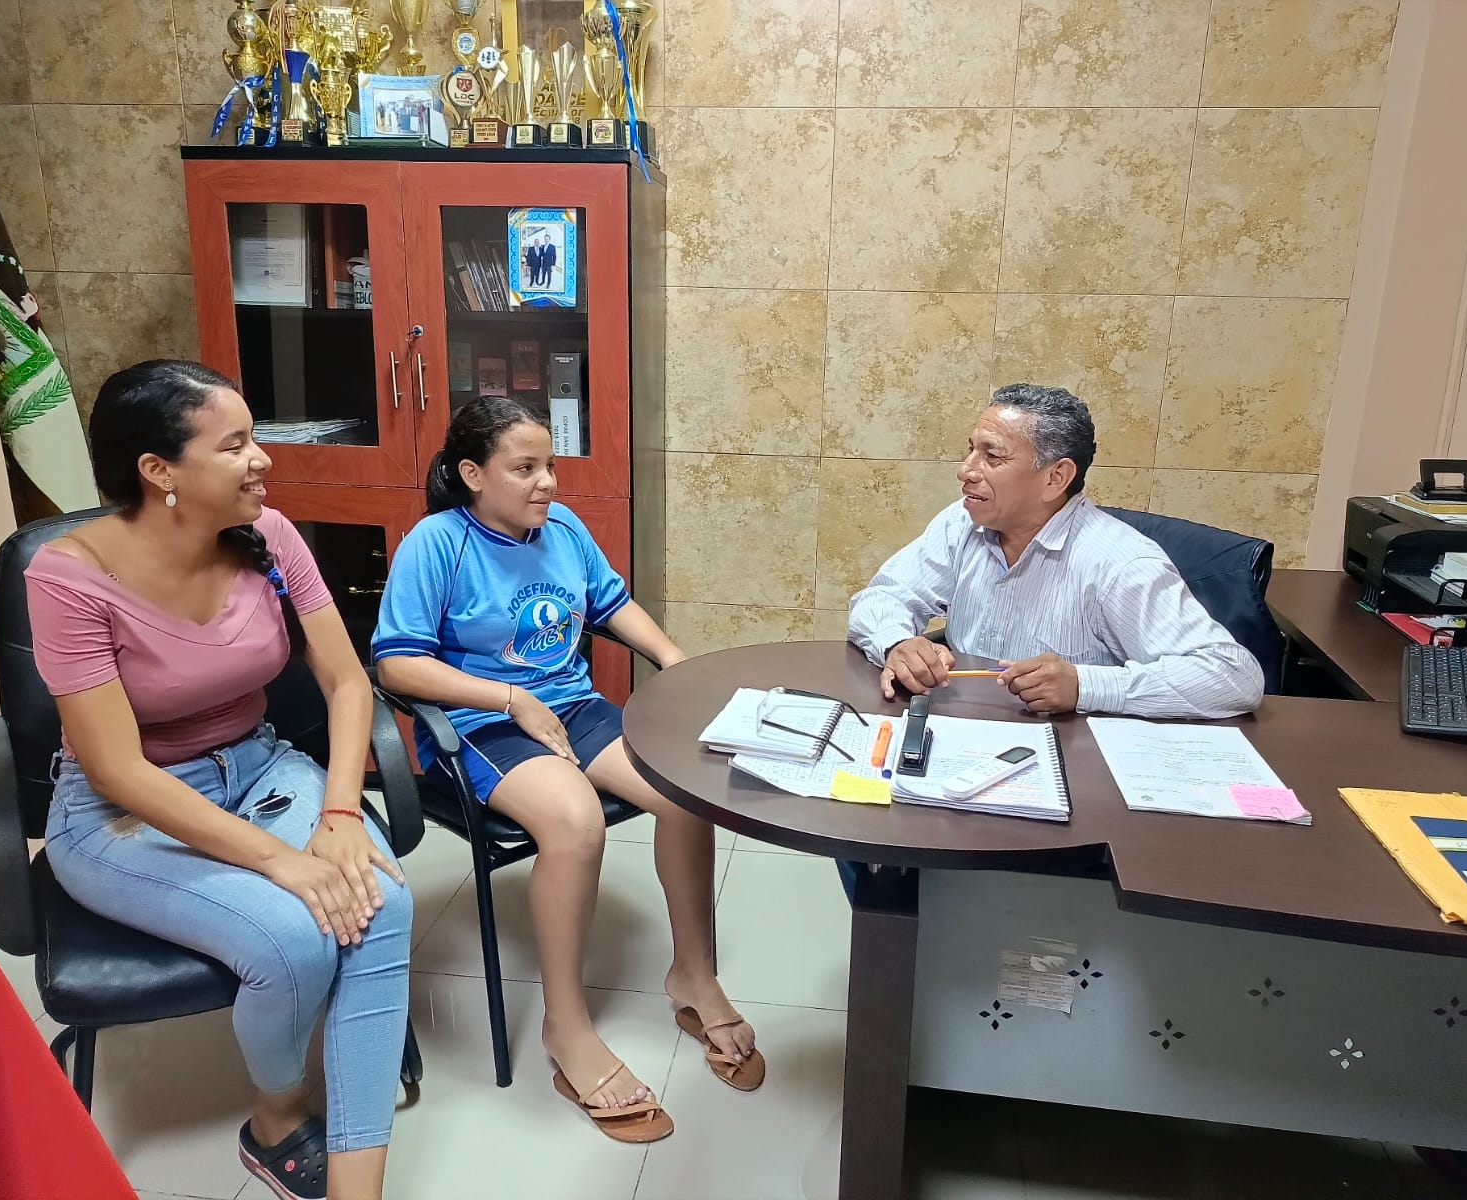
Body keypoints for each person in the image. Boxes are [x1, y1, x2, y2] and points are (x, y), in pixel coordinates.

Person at [25, 361, 412, 1200]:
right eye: (234, 445)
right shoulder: (67, 577)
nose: (261, 459)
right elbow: (116, 768)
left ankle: (359, 1189)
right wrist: (281, 861)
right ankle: (277, 1119)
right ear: (158, 471)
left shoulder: (269, 535)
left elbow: (348, 683)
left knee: (381, 901)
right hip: (123, 813)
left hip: (260, 767)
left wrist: (341, 814)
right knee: (292, 939)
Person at [373, 396, 764, 1143]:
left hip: (571, 706)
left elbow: (612, 604)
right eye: (524, 468)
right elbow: (397, 663)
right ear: (472, 474)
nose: (547, 482)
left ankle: (693, 974)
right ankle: (567, 1025)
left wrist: (674, 659)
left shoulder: (563, 529)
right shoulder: (437, 543)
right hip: (480, 725)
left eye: (549, 464)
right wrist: (510, 697)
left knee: (686, 793)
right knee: (577, 821)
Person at [849, 383, 1265, 719]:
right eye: (970, 449)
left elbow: (1233, 676)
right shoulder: (963, 522)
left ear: (1056, 478)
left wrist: (1085, 686)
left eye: (992, 456)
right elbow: (884, 597)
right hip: (962, 726)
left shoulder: (1120, 561)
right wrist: (898, 643)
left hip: (1072, 755)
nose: (966, 470)